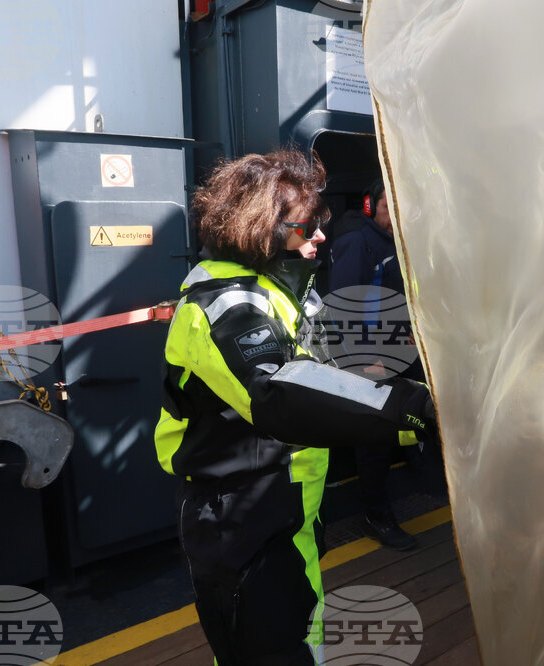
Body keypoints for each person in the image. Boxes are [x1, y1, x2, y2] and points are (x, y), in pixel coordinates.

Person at [154, 149, 436, 665]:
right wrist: (413, 409)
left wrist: (419, 397)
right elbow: (281, 393)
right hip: (240, 514)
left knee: (303, 633)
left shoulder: (288, 291)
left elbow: (332, 373)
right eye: (307, 227)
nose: (321, 237)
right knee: (264, 649)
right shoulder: (223, 307)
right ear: (261, 229)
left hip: (291, 505)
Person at [326, 178, 426, 551]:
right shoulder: (357, 241)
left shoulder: (396, 239)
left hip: (400, 347)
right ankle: (376, 516)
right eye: (387, 206)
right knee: (375, 437)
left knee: (417, 413)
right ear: (370, 205)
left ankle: (422, 475)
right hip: (371, 355)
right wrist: (369, 357)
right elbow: (345, 305)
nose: (394, 214)